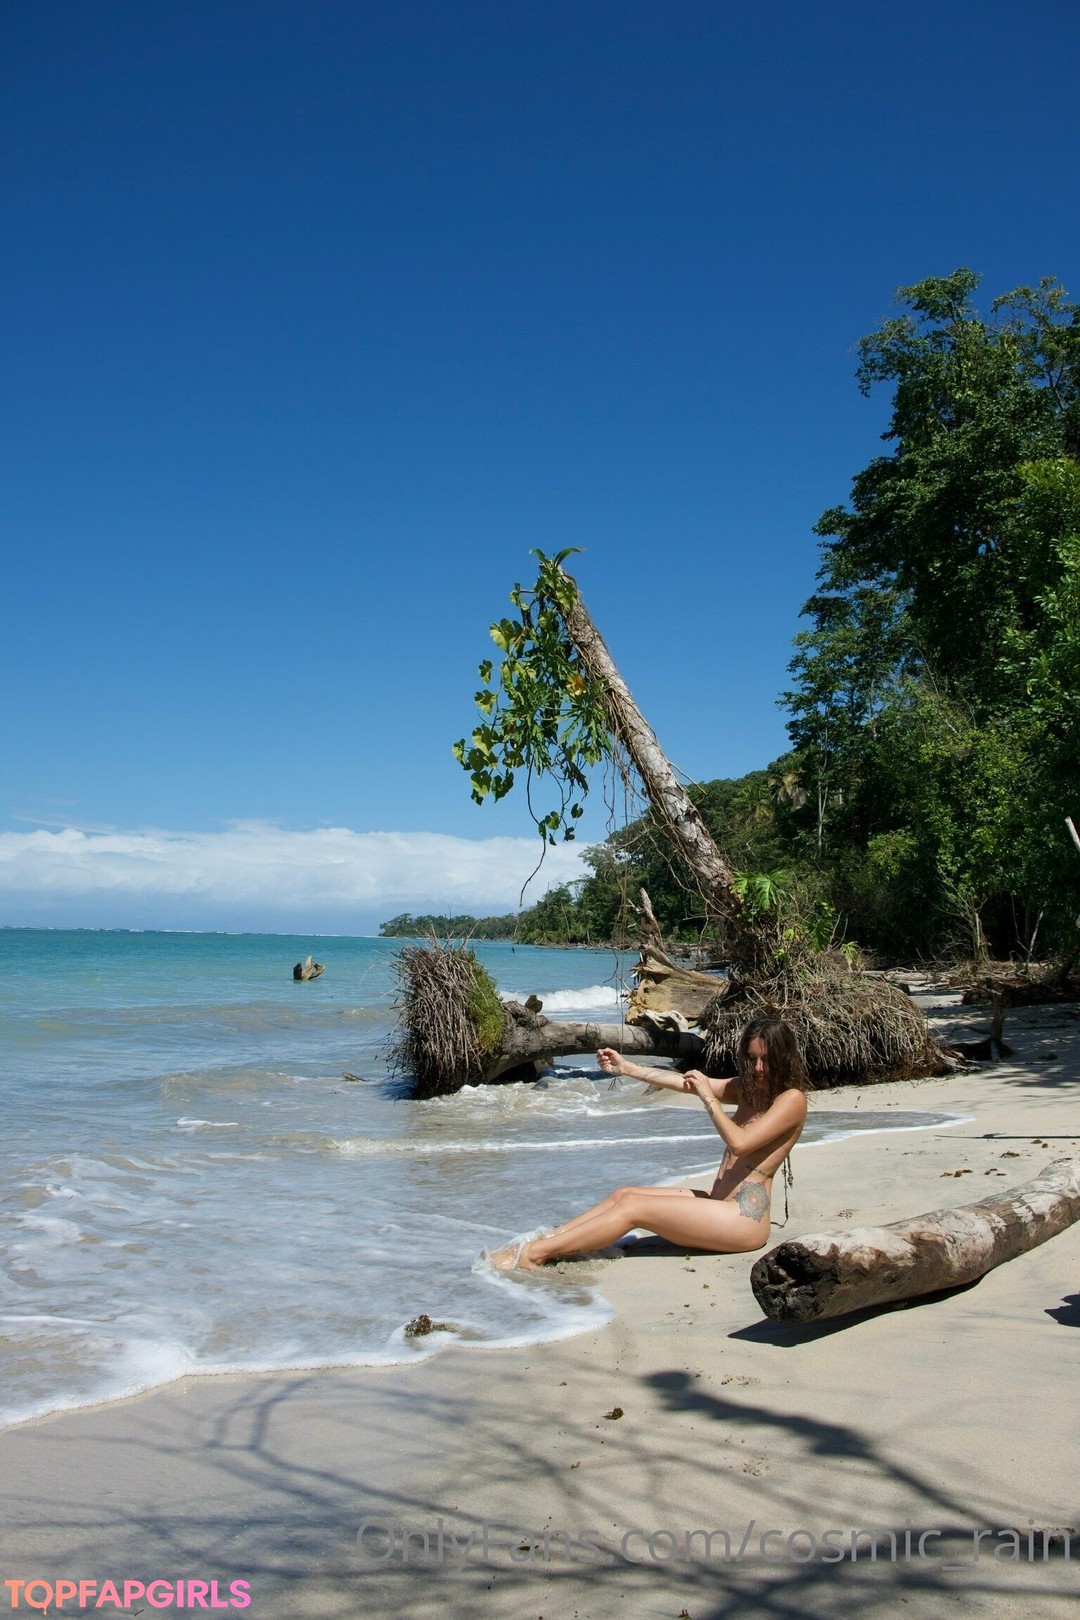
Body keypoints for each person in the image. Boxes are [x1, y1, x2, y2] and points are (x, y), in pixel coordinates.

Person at [490, 1016, 808, 1270]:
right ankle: (550, 1239)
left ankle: (534, 1255)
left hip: (743, 1221)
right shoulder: (748, 1089)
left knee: (633, 1208)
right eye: (751, 1059)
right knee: (624, 1194)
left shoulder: (791, 1100)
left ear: (782, 1058)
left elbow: (740, 1143)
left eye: (766, 1060)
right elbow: (684, 1083)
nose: (758, 1068)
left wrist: (709, 1098)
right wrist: (627, 1068)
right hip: (720, 1206)